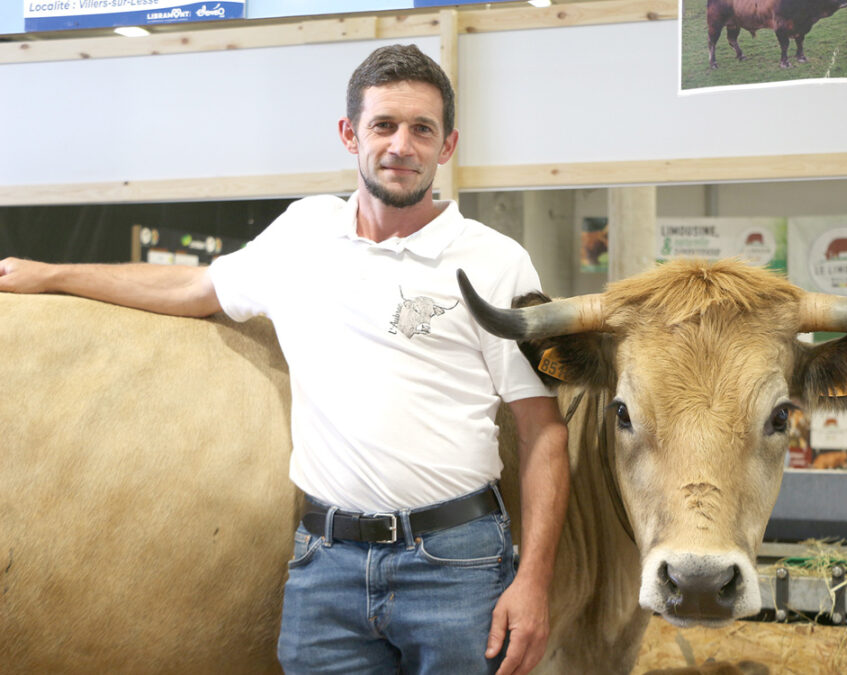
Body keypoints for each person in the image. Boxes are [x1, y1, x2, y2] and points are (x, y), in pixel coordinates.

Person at [0, 44, 569, 675]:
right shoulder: (303, 233)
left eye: (421, 129)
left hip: (456, 563)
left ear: (448, 144)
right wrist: (52, 275)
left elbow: (541, 431)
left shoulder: (495, 260)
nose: (401, 146)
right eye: (383, 125)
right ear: (350, 134)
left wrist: (533, 582)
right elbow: (193, 290)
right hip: (326, 565)